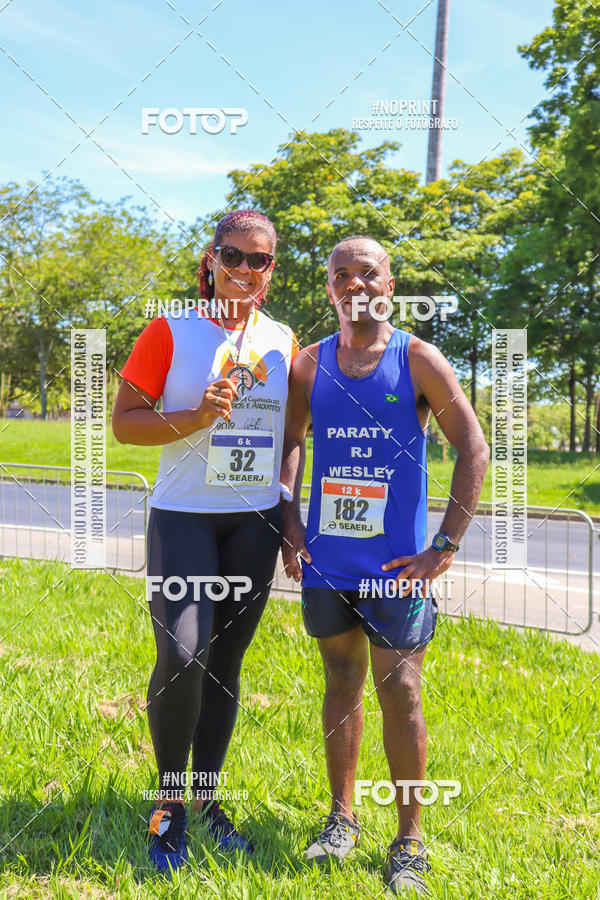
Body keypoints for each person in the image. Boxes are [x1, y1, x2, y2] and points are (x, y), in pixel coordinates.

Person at [281, 235, 489, 895]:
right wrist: (290, 522)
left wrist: (445, 545)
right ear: (330, 289)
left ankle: (410, 842)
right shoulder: (309, 364)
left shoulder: (418, 359)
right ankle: (341, 820)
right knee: (340, 680)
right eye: (341, 274)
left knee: (400, 689)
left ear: (389, 285)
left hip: (398, 569)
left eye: (367, 272)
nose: (354, 283)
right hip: (328, 564)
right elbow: (291, 442)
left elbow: (473, 447)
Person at [112, 210, 297, 874]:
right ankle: (168, 808)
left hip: (253, 522)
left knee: (224, 665)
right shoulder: (171, 329)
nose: (244, 269)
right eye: (233, 255)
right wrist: (193, 417)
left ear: (271, 270)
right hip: (184, 517)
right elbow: (124, 424)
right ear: (211, 259)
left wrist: (288, 514)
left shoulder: (282, 340)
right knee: (184, 654)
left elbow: (292, 436)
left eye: (259, 259)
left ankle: (209, 800)